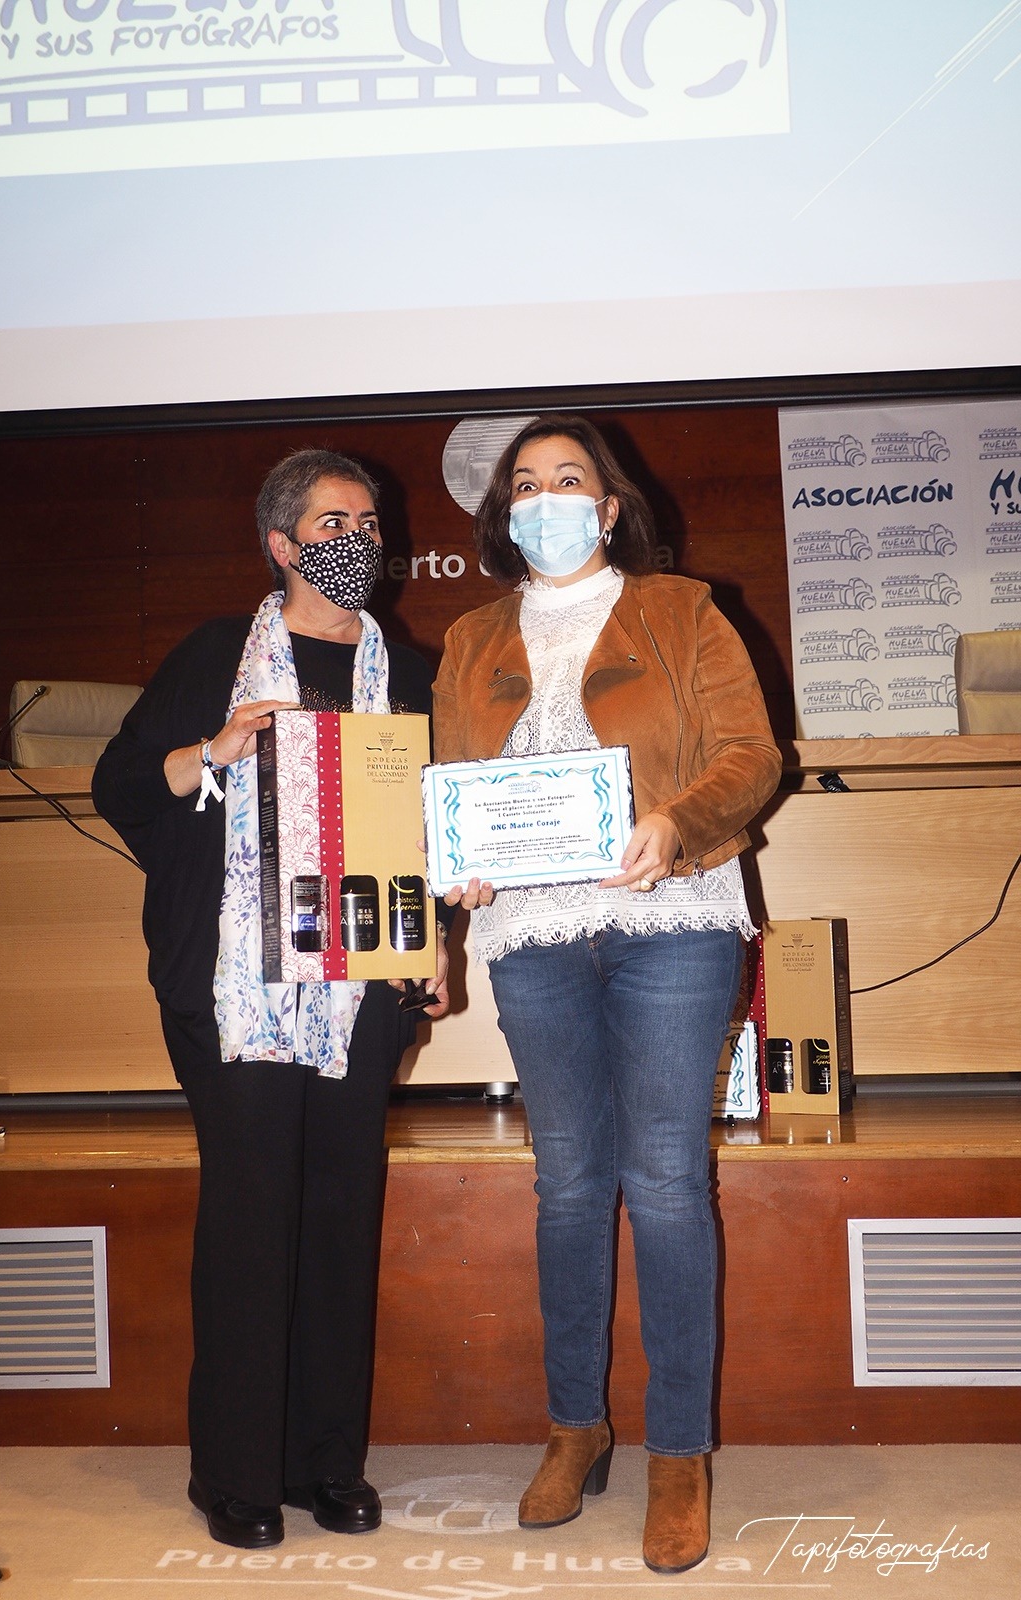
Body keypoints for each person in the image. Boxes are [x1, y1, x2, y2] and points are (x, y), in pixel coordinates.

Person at [432, 415, 780, 1575]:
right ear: (504, 513)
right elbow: (449, 787)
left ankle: (679, 1451)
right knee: (570, 1185)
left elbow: (751, 755)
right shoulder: (470, 637)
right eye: (525, 485)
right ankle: (575, 1427)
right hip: (531, 933)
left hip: (672, 917)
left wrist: (676, 822)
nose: (546, 501)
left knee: (667, 1182)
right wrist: (455, 869)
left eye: (567, 479)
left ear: (610, 504)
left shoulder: (682, 609)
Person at [92, 449, 449, 1551]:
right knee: (253, 1215)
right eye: (334, 521)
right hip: (234, 984)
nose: (360, 538)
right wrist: (214, 749)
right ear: (282, 544)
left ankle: (325, 1463)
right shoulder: (216, 655)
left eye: (370, 521)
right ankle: (236, 1471)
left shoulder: (415, 672)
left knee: (341, 1211)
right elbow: (118, 784)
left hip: (363, 984)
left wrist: (436, 938)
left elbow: (435, 825)